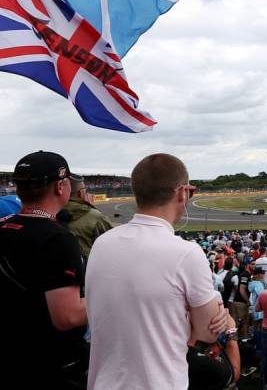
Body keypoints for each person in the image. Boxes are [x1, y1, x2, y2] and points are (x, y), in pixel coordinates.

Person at [86, 153, 231, 390]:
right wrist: (208, 314)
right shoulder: (186, 253)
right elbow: (207, 332)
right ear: (182, 192)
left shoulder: (102, 244)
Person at [1, 151, 89, 388]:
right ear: (61, 187)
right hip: (48, 364)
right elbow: (67, 317)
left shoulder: (4, 226)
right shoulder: (57, 238)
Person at [62, 174, 112, 258]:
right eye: (85, 190)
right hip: (86, 267)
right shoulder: (95, 216)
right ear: (80, 193)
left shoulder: (50, 212)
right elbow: (112, 242)